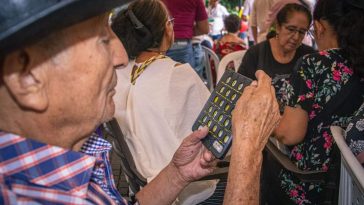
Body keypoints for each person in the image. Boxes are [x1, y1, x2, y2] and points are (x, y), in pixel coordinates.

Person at [0, 0, 281, 204]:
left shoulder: (69, 165)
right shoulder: (30, 197)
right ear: (27, 77)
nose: (121, 56)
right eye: (101, 37)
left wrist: (176, 174)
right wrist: (247, 151)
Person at [111, 1, 217, 204]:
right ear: (163, 30)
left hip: (143, 185)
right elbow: (214, 134)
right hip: (186, 189)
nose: (172, 26)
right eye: (170, 21)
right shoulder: (178, 75)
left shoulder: (120, 74)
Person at [272, 0, 364, 204]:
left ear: (320, 27)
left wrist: (269, 122)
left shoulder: (313, 64)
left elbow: (290, 134)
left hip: (308, 184)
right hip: (351, 188)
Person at [238, 3, 315, 104]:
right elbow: (240, 93)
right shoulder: (256, 54)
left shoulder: (308, 56)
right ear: (278, 27)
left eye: (301, 32)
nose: (296, 37)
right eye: (291, 29)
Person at [163, 0, 209, 77]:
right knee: (184, 83)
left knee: (161, 83)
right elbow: (204, 29)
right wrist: (186, 31)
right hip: (181, 45)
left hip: (157, 45)